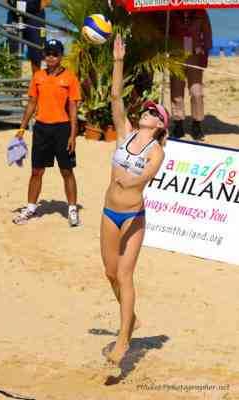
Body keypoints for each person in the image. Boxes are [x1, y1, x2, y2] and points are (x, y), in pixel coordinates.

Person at [100, 34, 169, 365]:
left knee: (125, 276)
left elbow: (148, 176)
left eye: (155, 112)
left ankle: (123, 339)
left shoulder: (157, 150)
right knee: (110, 274)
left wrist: (133, 178)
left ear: (159, 126)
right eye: (149, 108)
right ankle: (132, 318)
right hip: (108, 212)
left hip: (132, 217)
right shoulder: (126, 132)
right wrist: (117, 60)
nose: (149, 111)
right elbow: (115, 96)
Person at [12, 39, 81, 226]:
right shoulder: (38, 77)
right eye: (48, 53)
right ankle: (31, 208)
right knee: (36, 171)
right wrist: (22, 128)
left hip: (62, 129)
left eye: (55, 53)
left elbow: (73, 107)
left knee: (67, 170)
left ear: (61, 56)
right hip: (41, 129)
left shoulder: (70, 78)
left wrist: (73, 134)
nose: (51, 57)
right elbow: (32, 104)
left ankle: (73, 210)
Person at [169, 10, 212, 140]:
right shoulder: (171, 12)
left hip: (195, 54)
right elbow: (163, 31)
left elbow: (207, 33)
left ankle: (197, 124)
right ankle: (178, 124)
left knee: (196, 92)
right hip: (176, 54)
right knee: (176, 91)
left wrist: (205, 53)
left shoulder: (201, 13)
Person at [6, 0, 51, 74]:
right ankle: (14, 81)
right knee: (14, 52)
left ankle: (36, 81)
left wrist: (42, 4)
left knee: (37, 52)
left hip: (35, 14)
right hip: (14, 14)